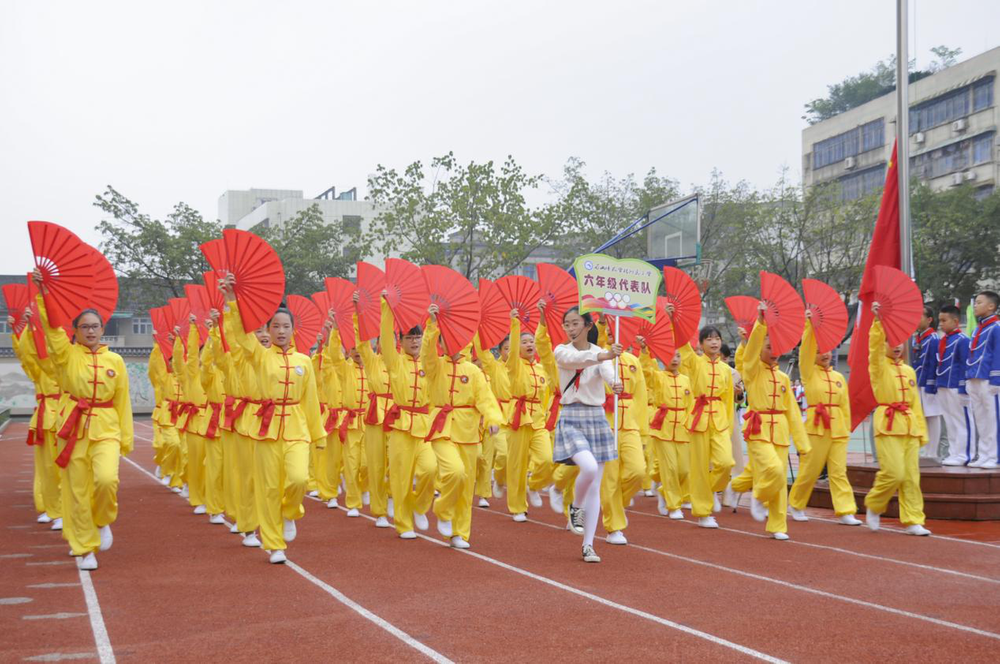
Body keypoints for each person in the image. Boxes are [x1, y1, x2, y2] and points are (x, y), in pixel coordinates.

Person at [33, 269, 134, 571]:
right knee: (76, 491)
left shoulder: (115, 361)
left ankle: (102, 520)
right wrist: (43, 293)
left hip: (106, 429)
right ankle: (84, 547)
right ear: (74, 330)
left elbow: (123, 401)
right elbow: (51, 330)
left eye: (95, 326)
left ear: (103, 329)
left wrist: (126, 439)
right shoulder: (66, 356)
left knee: (106, 480)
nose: (90, 331)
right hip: (72, 429)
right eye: (84, 327)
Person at [223, 274, 325, 563]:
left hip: (296, 427)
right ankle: (274, 544)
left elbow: (311, 401)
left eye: (286, 326)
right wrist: (232, 301)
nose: (281, 331)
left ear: (294, 330)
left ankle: (290, 511)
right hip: (265, 429)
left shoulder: (304, 361)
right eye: (275, 326)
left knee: (298, 479)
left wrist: (318, 436)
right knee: (268, 488)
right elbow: (240, 337)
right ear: (268, 329)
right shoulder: (260, 355)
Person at [422, 304, 503, 548]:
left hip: (468, 431)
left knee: (467, 485)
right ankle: (443, 510)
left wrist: (492, 419)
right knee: (454, 472)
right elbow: (426, 353)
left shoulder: (473, 371)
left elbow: (486, 398)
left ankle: (459, 533)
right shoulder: (435, 365)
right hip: (442, 429)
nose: (453, 343)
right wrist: (432, 324)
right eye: (448, 339)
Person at [551, 306, 623, 563]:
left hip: (596, 417)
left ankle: (589, 544)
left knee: (596, 486)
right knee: (589, 469)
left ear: (588, 326)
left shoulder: (599, 354)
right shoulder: (561, 351)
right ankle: (575, 507)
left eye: (574, 324)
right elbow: (575, 362)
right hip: (571, 416)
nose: (570, 329)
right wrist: (604, 355)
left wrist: (616, 383)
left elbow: (608, 375)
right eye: (566, 324)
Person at [738, 303, 811, 540]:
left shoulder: (782, 377)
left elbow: (792, 411)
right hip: (758, 429)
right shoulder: (752, 371)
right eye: (769, 347)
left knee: (780, 482)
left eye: (776, 347)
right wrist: (760, 324)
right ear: (760, 349)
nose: (774, 351)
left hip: (779, 431)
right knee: (774, 469)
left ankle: (778, 525)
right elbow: (748, 356)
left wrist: (803, 444)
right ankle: (759, 495)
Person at [864, 302, 931, 536]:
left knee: (912, 477)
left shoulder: (909, 371)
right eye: (890, 342)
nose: (896, 346)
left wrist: (922, 431)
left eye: (899, 342)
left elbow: (916, 405)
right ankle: (874, 504)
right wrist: (878, 321)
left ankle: (913, 519)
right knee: (894, 473)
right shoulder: (879, 367)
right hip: (888, 425)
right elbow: (873, 348)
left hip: (910, 427)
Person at [787, 312, 860, 525]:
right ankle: (797, 504)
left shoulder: (838, 377)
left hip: (837, 429)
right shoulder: (809, 372)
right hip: (816, 427)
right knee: (810, 469)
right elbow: (805, 351)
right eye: (819, 351)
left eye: (826, 350)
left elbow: (845, 405)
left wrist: (846, 428)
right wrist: (809, 325)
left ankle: (845, 510)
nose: (824, 354)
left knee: (838, 472)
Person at [379, 294, 436, 539]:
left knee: (430, 470)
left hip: (424, 426)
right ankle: (404, 524)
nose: (414, 341)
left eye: (418, 337)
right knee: (401, 479)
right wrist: (387, 308)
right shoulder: (395, 363)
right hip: (401, 425)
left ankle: (420, 507)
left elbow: (434, 346)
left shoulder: (430, 362)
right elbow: (384, 338)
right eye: (409, 337)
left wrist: (432, 323)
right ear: (400, 341)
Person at [672, 308, 735, 529]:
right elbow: (682, 346)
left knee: (726, 463)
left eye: (717, 338)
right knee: (698, 467)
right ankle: (703, 511)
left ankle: (704, 492)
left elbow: (728, 399)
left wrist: (728, 425)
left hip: (719, 419)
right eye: (709, 339)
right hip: (698, 418)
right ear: (701, 344)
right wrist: (674, 320)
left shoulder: (727, 370)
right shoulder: (695, 362)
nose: (714, 342)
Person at [10, 311, 62, 530]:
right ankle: (51, 508)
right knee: (47, 467)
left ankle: (68, 508)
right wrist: (25, 331)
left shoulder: (70, 361)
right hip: (46, 418)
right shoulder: (40, 369)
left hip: (70, 417)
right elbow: (26, 356)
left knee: (71, 467)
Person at [505, 310, 555, 522]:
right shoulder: (514, 365)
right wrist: (515, 324)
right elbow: (513, 348)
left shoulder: (542, 369)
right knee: (517, 465)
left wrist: (542, 322)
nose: (529, 344)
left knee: (547, 459)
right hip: (518, 419)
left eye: (531, 341)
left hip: (538, 421)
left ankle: (534, 485)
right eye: (524, 342)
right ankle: (517, 507)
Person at [352, 294, 394, 528]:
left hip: (397, 416)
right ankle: (379, 510)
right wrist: (358, 312)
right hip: (376, 415)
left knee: (396, 463)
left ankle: (392, 496)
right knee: (374, 464)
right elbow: (361, 343)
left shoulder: (400, 362)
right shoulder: (372, 360)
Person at [639, 342, 693, 520]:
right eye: (670, 355)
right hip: (663, 427)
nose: (674, 359)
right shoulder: (658, 377)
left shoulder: (686, 380)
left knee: (684, 470)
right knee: (670, 468)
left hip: (682, 428)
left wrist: (690, 423)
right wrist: (645, 351)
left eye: (677, 355)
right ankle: (673, 505)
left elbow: (690, 404)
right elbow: (645, 371)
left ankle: (664, 491)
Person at [935, 305, 976, 466]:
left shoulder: (963, 340)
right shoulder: (943, 340)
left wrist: (963, 387)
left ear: (956, 321)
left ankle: (966, 454)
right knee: (950, 421)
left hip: (956, 386)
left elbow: (966, 364)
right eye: (940, 321)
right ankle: (954, 452)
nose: (941, 324)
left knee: (962, 420)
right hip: (944, 384)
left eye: (944, 321)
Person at [473, 333, 511, 501]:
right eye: (506, 348)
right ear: (500, 351)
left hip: (500, 418)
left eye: (512, 348)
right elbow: (483, 352)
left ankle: (483, 494)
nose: (510, 352)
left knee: (491, 457)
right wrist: (477, 330)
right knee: (479, 456)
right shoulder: (493, 368)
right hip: (477, 419)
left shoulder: (520, 367)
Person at [965, 291, 1000, 469]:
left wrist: (996, 379)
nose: (975, 305)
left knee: (993, 419)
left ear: (991, 306)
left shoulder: (996, 327)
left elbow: (997, 354)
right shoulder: (978, 328)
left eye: (979, 302)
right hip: (974, 377)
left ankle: (994, 456)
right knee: (980, 419)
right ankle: (984, 454)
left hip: (988, 378)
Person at [912, 305, 942, 460]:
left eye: (920, 315)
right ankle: (924, 450)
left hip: (928, 384)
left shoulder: (934, 338)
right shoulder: (917, 338)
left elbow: (935, 363)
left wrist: (932, 384)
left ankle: (933, 452)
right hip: (918, 382)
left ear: (929, 320)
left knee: (932, 416)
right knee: (921, 416)